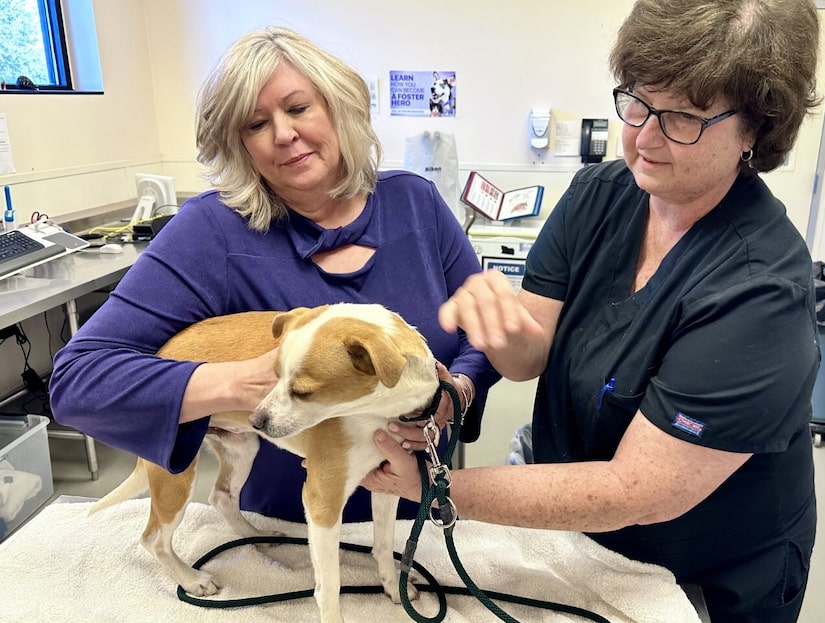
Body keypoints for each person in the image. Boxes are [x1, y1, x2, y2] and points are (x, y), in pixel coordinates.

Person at [363, 1, 820, 621]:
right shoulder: (599, 195)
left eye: (683, 116)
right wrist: (496, 333)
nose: (645, 136)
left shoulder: (759, 289)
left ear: (755, 131)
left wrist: (433, 486)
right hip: (580, 543)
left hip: (705, 570)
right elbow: (531, 358)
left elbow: (638, 489)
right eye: (636, 100)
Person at [49, 26, 498, 523]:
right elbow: (78, 382)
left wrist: (457, 392)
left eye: (299, 108)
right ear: (239, 144)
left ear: (339, 107)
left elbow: (482, 333)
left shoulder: (416, 204)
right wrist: (246, 381)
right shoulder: (211, 232)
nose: (284, 134)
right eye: (256, 124)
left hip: (421, 517)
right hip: (283, 534)